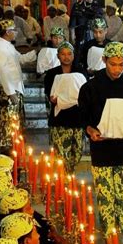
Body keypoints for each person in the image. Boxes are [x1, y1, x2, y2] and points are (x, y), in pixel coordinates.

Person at [78, 42, 123, 244]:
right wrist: (89, 129)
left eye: (121, 64)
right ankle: (108, 241)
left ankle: (120, 238)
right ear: (104, 61)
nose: (117, 69)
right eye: (113, 64)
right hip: (102, 151)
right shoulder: (91, 87)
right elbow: (83, 117)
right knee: (106, 198)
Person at [0, 19, 37, 154]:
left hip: (15, 88)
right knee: (7, 120)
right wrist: (10, 93)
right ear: (7, 32)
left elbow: (20, 59)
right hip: (7, 90)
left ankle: (14, 147)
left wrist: (36, 53)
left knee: (15, 120)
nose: (16, 33)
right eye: (14, 30)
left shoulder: (8, 46)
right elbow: (2, 72)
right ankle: (6, 151)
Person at [44, 41, 87, 173]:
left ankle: (70, 174)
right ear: (58, 56)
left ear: (73, 56)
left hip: (77, 118)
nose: (66, 57)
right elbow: (49, 94)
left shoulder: (80, 71)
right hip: (60, 119)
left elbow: (85, 92)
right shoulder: (51, 74)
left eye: (69, 54)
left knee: (77, 152)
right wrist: (57, 100)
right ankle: (63, 181)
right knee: (61, 154)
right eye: (63, 54)